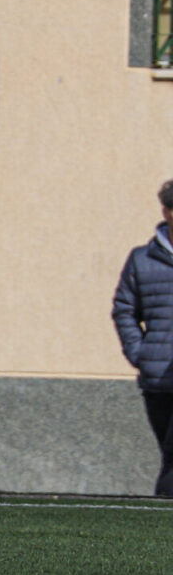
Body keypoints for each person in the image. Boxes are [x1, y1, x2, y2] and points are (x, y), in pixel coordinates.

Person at [112, 178, 173, 497]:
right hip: (158, 379)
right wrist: (141, 354)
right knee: (169, 455)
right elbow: (124, 310)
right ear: (167, 211)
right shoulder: (142, 260)